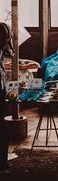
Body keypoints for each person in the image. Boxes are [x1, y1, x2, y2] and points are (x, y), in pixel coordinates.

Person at [0, 22, 14, 175]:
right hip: (0, 86)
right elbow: (10, 53)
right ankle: (2, 163)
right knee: (1, 124)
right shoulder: (3, 32)